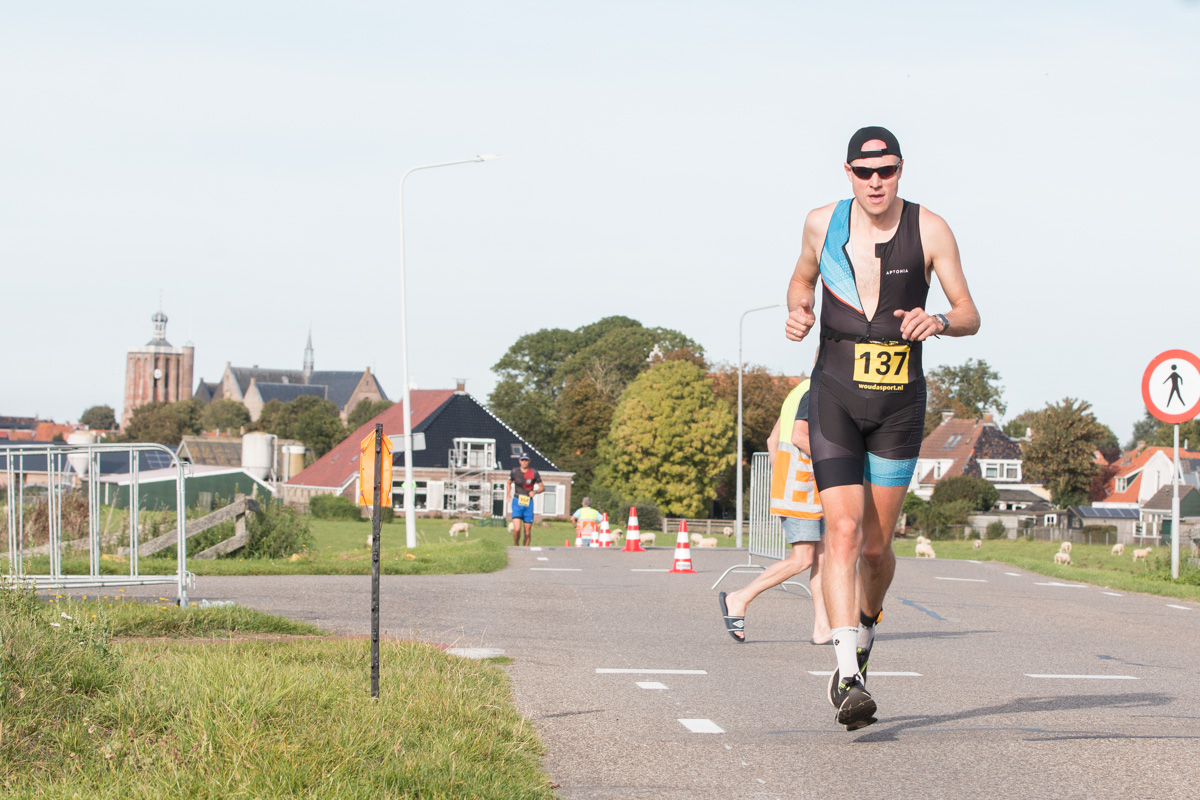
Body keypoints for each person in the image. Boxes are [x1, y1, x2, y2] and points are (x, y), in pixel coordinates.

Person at [784, 126, 980, 730]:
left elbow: (970, 314)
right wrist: (798, 309)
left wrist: (938, 320)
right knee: (841, 531)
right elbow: (802, 278)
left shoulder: (931, 229)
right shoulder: (822, 223)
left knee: (875, 547)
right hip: (835, 397)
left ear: (900, 171)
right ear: (848, 173)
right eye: (865, 172)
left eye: (887, 170)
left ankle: (866, 630)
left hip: (898, 407)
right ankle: (848, 676)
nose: (876, 182)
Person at [718, 377, 832, 645]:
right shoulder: (816, 390)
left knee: (823, 560)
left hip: (810, 489)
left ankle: (822, 628)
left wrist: (782, 475)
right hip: (802, 491)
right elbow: (799, 436)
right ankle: (739, 598)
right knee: (802, 559)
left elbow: (772, 440)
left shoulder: (798, 391)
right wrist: (834, 461)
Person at [506, 453, 543, 546]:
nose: (524, 462)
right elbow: (509, 483)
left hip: (528, 502)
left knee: (527, 531)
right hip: (517, 501)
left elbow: (542, 487)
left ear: (529, 461)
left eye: (526, 460)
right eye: (522, 460)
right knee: (517, 529)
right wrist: (508, 494)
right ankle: (516, 545)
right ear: (519, 461)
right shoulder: (515, 471)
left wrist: (535, 492)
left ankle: (526, 550)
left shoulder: (534, 472)